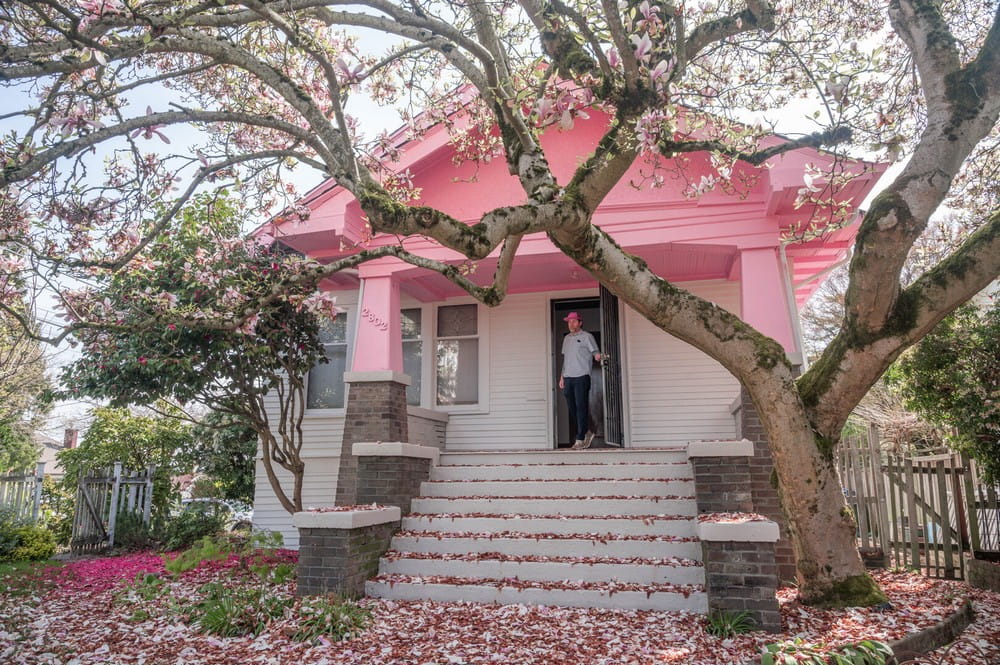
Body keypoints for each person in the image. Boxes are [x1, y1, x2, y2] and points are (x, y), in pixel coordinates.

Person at [558, 312, 601, 449]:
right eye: (569, 321)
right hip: (568, 377)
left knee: (581, 406)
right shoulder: (567, 339)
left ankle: (580, 438)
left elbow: (595, 352)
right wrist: (562, 376)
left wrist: (598, 356)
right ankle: (587, 431)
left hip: (582, 376)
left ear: (580, 323)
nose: (571, 324)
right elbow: (567, 360)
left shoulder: (587, 337)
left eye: (574, 321)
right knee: (573, 408)